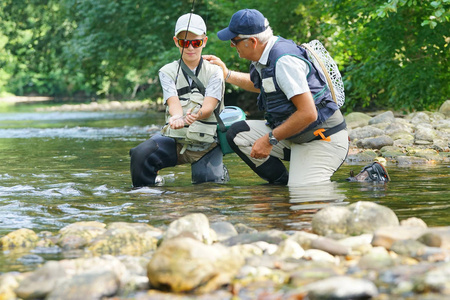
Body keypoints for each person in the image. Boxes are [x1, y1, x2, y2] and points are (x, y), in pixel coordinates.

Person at [204, 9, 349, 187]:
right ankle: (280, 186)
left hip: (322, 139)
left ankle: (369, 176)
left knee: (303, 196)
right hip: (294, 135)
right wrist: (227, 74)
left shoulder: (284, 62)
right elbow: (263, 85)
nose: (232, 46)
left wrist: (270, 139)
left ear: (252, 41)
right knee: (237, 134)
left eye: (234, 41)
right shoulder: (265, 54)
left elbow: (308, 113)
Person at [130, 13, 228, 187]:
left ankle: (219, 172)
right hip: (177, 142)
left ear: (204, 41)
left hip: (207, 146)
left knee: (207, 192)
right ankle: (148, 196)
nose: (190, 48)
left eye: (196, 42)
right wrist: (177, 118)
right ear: (176, 42)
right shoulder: (166, 72)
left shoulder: (215, 71)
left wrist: (195, 115)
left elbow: (208, 107)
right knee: (140, 154)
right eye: (184, 42)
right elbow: (173, 103)